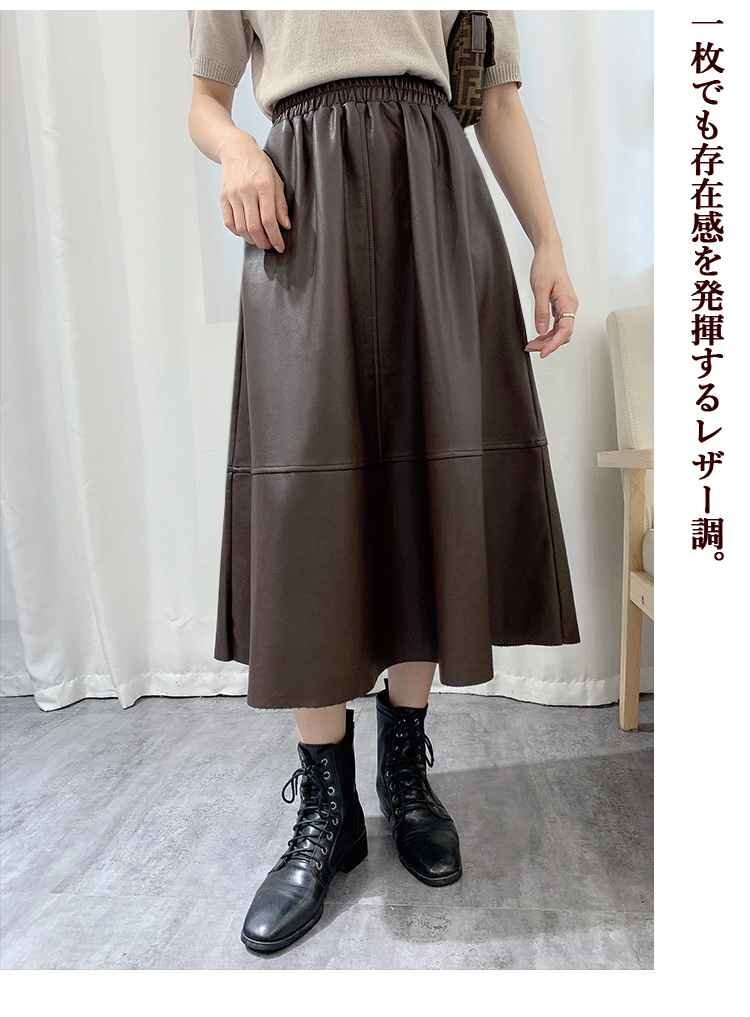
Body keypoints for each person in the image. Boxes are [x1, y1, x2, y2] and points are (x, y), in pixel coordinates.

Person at [188, 10, 580, 954]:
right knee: (304, 494)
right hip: (303, 201)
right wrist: (238, 149)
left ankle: (404, 771)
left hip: (435, 199)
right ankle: (327, 807)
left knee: (429, 476)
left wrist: (548, 244)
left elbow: (497, 102)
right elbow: (204, 97)